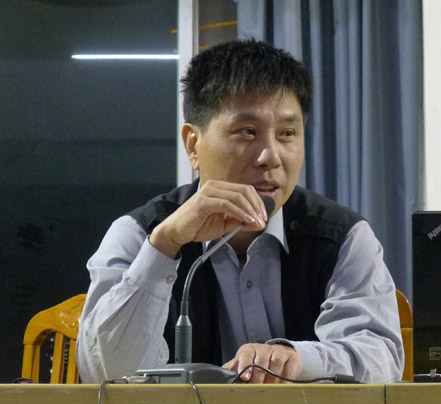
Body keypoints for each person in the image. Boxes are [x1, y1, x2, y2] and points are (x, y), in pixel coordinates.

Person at [76, 39, 404, 384]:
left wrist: (295, 359)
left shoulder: (341, 236)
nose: (270, 157)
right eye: (248, 132)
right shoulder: (140, 234)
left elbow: (381, 361)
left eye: (287, 133)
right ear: (193, 145)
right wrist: (164, 247)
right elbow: (105, 376)